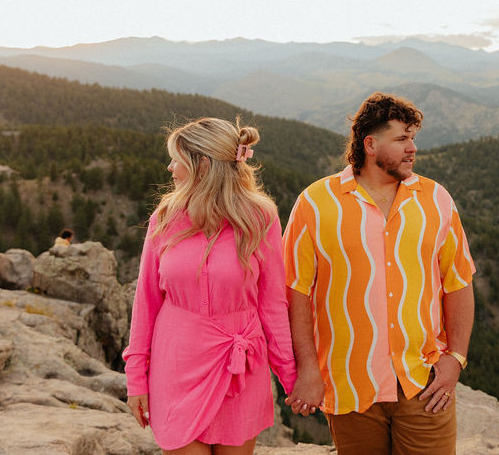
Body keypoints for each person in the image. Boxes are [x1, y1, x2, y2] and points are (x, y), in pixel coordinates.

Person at [282, 92, 476, 455]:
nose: (412, 148)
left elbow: (459, 283)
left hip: (424, 382)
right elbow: (295, 291)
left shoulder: (436, 200)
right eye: (401, 139)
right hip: (349, 384)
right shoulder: (315, 203)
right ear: (370, 144)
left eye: (413, 138)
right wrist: (307, 368)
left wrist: (457, 358)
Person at [123, 118, 296, 454]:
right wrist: (136, 379)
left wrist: (291, 376)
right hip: (176, 365)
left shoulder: (261, 218)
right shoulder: (165, 217)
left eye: (177, 159)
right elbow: (145, 303)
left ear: (202, 165)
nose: (170, 168)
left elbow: (273, 304)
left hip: (241, 369)